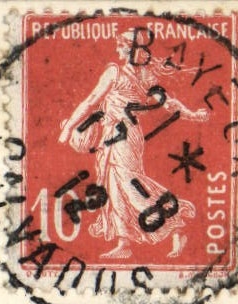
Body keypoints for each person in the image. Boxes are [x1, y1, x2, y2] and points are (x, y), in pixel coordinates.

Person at [58, 36, 209, 258]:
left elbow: (91, 101)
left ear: (131, 50)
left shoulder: (124, 73)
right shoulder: (138, 74)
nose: (119, 51)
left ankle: (176, 226)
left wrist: (67, 129)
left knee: (131, 185)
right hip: (112, 136)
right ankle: (124, 243)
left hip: (125, 137)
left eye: (122, 47)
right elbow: (168, 104)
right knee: (113, 186)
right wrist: (193, 115)